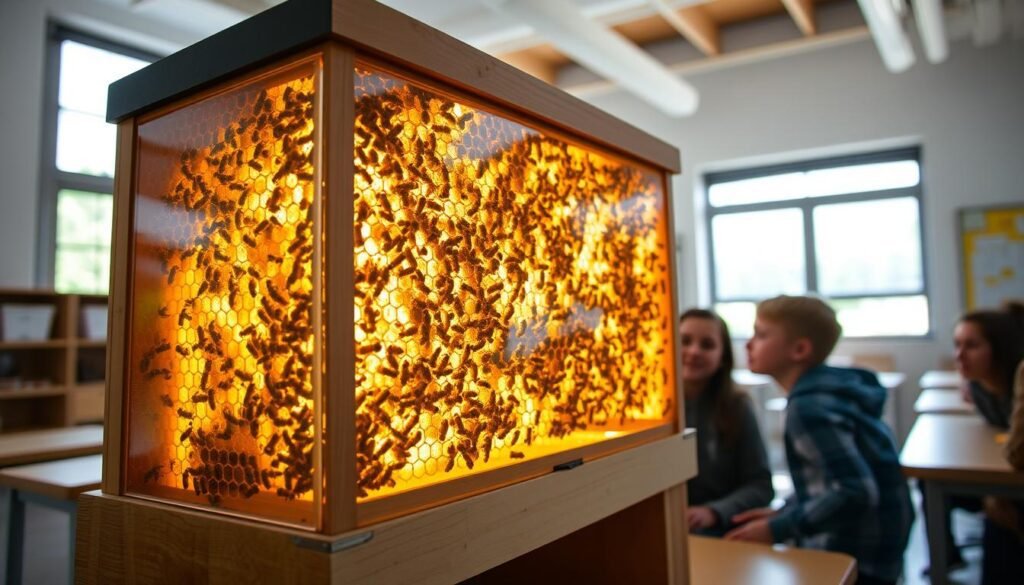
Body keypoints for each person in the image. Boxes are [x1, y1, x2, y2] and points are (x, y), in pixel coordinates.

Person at [725, 295, 913, 585]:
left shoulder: (809, 408)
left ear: (799, 349)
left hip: (858, 559)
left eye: (761, 335)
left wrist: (777, 529)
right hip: (880, 551)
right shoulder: (826, 395)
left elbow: (856, 491)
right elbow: (824, 483)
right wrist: (784, 511)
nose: (749, 344)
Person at [679, 309, 774, 536]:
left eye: (707, 344)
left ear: (723, 357)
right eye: (685, 341)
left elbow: (761, 486)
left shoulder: (738, 406)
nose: (693, 351)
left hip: (720, 531)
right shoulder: (647, 412)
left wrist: (713, 511)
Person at [955, 301, 1024, 585]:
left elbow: (1018, 452)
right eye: (957, 344)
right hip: (1006, 470)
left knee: (999, 521)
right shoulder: (977, 387)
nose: (959, 356)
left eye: (971, 345)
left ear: (999, 349)